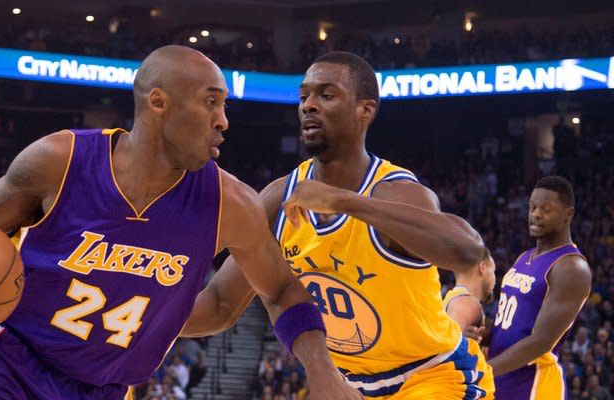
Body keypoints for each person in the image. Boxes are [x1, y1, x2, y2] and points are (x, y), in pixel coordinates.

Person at [0, 45, 357, 400]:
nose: (223, 122)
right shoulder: (60, 161)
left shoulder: (230, 204)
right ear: (159, 103)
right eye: (211, 103)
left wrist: (321, 366)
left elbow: (274, 292)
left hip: (109, 387)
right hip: (4, 366)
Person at [180, 51, 494, 399]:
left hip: (432, 376)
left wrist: (343, 201)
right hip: (349, 384)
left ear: (365, 110)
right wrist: (143, 317)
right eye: (304, 96)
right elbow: (221, 303)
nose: (308, 106)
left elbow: (468, 252)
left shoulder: (395, 192)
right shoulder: (277, 198)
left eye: (325, 95)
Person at [488, 176, 591, 400]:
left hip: (534, 385)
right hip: (500, 378)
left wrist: (483, 371)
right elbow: (509, 324)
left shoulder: (571, 266)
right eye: (533, 207)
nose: (536, 214)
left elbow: (541, 342)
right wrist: (482, 332)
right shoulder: (524, 257)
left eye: (546, 209)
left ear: (568, 214)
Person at [443, 248, 496, 334]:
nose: (495, 279)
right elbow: (451, 346)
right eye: (493, 271)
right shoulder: (466, 303)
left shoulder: (454, 298)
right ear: (482, 267)